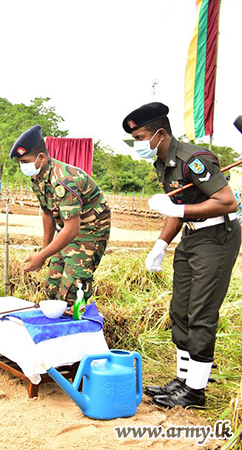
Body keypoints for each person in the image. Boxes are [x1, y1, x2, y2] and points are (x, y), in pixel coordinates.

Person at [123, 102, 240, 409]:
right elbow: (177, 208)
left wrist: (180, 209)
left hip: (216, 237)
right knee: (180, 310)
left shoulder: (193, 158)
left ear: (160, 134)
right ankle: (182, 380)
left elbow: (227, 202)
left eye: (140, 138)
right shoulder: (164, 163)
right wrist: (161, 243)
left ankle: (196, 392)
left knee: (200, 312)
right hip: (191, 236)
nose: (138, 145)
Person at [10, 125, 111, 304]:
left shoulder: (65, 180)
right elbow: (47, 213)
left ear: (41, 157)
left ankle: (73, 321)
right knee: (53, 284)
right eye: (20, 162)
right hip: (68, 227)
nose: (22, 166)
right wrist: (44, 252)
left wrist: (41, 256)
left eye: (25, 161)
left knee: (72, 289)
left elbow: (73, 229)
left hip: (90, 230)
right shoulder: (38, 176)